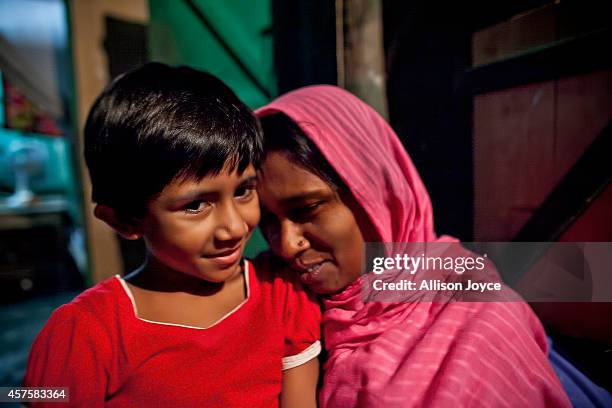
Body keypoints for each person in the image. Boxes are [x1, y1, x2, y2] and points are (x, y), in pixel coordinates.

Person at [23, 63, 320, 407]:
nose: (235, 227)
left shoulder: (281, 294)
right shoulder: (85, 332)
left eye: (244, 191)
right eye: (196, 206)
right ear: (125, 220)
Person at [255, 85, 572, 407]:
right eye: (267, 220)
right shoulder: (276, 295)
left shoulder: (479, 321)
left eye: (307, 209)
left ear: (376, 195)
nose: (286, 245)